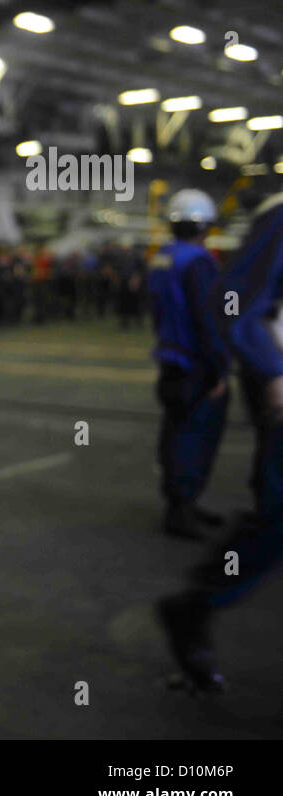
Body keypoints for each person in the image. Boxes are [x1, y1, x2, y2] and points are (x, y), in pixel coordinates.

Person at [157, 186, 283, 691]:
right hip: (240, 377)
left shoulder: (167, 257)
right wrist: (268, 373)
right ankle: (197, 601)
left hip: (175, 362)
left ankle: (195, 597)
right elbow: (232, 308)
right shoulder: (274, 221)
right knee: (275, 514)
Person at [146, 189, 230, 539]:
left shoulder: (162, 258)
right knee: (195, 436)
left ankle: (183, 504)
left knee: (176, 432)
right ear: (204, 226)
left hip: (170, 359)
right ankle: (181, 512)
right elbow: (207, 320)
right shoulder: (198, 262)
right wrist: (219, 367)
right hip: (195, 364)